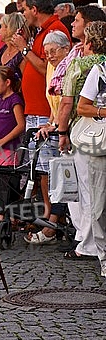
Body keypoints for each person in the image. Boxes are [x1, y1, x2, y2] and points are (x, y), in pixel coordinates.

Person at [11, 0, 71, 218]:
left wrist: (23, 48)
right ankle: (48, 214)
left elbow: (49, 68)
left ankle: (52, 217)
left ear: (35, 9)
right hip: (36, 107)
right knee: (41, 168)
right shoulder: (41, 31)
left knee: (47, 168)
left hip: (47, 110)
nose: (23, 13)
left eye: (25, 9)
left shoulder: (54, 30)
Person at [58, 21, 106, 260]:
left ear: (89, 41)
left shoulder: (79, 65)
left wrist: (61, 132)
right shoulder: (100, 65)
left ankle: (88, 243)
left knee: (87, 192)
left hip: (87, 136)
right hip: (96, 134)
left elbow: (67, 103)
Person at [23, 31, 71, 244]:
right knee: (47, 172)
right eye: (47, 52)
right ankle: (52, 217)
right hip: (56, 124)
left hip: (68, 128)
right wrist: (50, 123)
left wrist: (58, 127)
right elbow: (54, 101)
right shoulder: (54, 66)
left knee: (63, 177)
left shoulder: (69, 66)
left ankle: (56, 222)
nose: (49, 56)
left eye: (53, 51)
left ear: (65, 49)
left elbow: (67, 101)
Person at [76, 45, 106, 278]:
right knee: (100, 207)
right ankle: (104, 258)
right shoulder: (100, 71)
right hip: (101, 147)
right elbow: (82, 107)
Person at [0, 66, 25, 221]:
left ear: (7, 82)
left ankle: (5, 215)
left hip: (9, 148)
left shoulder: (14, 100)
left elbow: (21, 125)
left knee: (6, 181)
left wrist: (4, 140)